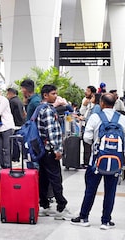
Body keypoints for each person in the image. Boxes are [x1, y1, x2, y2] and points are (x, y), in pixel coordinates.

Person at [71, 93, 125, 230]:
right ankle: (106, 221)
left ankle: (84, 217)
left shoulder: (95, 117)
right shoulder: (122, 119)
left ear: (102, 104)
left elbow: (87, 138)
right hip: (116, 163)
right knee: (110, 191)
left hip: (96, 161)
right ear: (115, 103)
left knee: (90, 190)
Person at [37, 84, 73, 220]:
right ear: (45, 95)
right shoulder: (47, 110)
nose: (55, 96)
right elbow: (51, 132)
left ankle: (44, 206)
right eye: (53, 93)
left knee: (45, 178)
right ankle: (61, 207)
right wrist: (57, 150)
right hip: (50, 151)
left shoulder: (41, 108)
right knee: (56, 178)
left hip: (43, 151)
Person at [79, 85, 97, 168]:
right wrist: (84, 105)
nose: (86, 92)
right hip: (84, 125)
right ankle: (86, 162)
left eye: (88, 91)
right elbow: (81, 111)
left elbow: (93, 115)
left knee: (92, 144)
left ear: (93, 94)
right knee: (85, 143)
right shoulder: (85, 100)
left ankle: (91, 161)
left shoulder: (96, 103)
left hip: (92, 126)